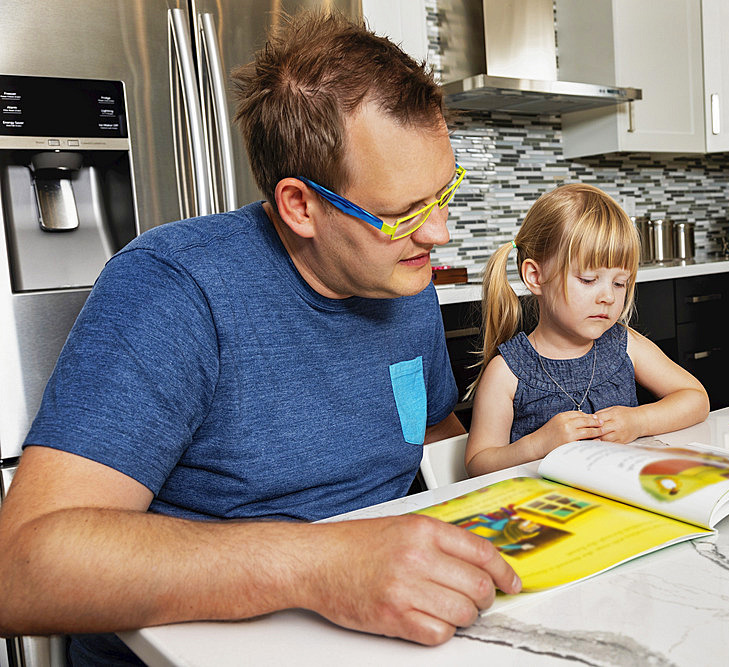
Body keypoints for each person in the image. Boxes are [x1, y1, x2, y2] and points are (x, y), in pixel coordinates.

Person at [0, 11, 520, 665]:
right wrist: (318, 566)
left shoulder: (400, 277)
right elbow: (22, 569)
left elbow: (432, 430)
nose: (439, 232)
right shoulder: (172, 288)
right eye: (402, 213)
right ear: (300, 204)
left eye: (443, 194)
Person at [464, 184, 710, 477]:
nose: (607, 296)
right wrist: (537, 444)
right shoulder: (507, 371)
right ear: (535, 276)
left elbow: (696, 398)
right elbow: (478, 465)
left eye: (619, 283)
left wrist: (639, 421)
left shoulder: (624, 345)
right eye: (588, 279)